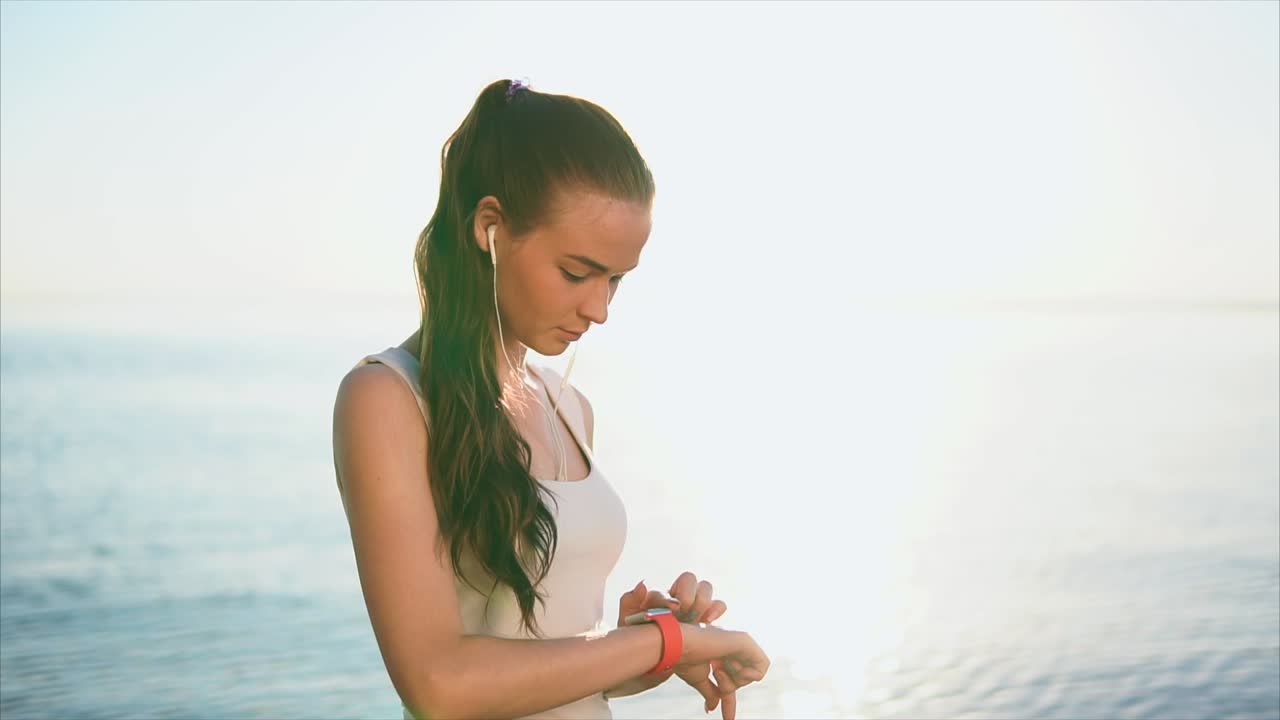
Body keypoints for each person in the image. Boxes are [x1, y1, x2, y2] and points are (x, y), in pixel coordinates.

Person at [331, 78, 770, 720]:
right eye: (576, 272)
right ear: (491, 230)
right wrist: (663, 640)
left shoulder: (569, 406)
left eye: (616, 280)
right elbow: (439, 684)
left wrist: (638, 650)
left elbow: (539, 670)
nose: (598, 309)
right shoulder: (386, 399)